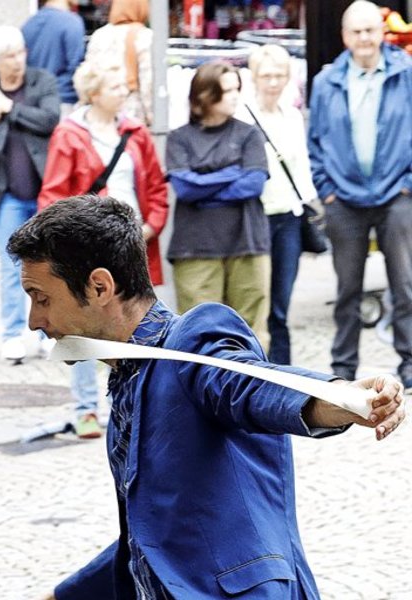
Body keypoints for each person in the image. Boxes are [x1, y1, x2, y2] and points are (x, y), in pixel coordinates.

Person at [5, 196, 405, 600]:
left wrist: (339, 398)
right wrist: (64, 595)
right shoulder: (126, 379)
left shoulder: (193, 341)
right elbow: (152, 537)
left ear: (99, 287)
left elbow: (250, 385)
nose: (35, 321)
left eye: (42, 298)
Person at [39, 59, 169, 438]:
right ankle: (86, 408)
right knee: (81, 323)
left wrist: (151, 226)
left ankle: (131, 403)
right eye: (115, 87)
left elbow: (156, 186)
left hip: (134, 244)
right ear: (94, 94)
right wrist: (70, 247)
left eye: (125, 86)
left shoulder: (135, 132)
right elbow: (53, 196)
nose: (124, 92)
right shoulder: (69, 135)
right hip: (87, 249)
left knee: (134, 321)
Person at [308, 0, 412, 385]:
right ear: (345, 36)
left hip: (397, 195)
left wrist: (408, 185)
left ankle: (410, 364)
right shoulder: (326, 82)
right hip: (343, 201)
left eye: (370, 30)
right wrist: (327, 190)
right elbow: (315, 141)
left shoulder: (406, 74)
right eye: (357, 31)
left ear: (382, 32)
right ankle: (343, 368)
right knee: (347, 289)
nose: (364, 38)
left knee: (405, 286)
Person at [0, 25, 60, 364]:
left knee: (50, 264)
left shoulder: (42, 82)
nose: (18, 60)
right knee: (11, 265)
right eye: (9, 56)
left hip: (46, 192)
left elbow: (50, 119)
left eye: (20, 52)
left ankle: (49, 332)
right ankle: (12, 334)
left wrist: (10, 109)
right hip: (6, 195)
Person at [166, 60, 271, 349]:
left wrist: (204, 186)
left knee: (251, 333)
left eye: (237, 89)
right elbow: (185, 189)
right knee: (198, 336)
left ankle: (250, 381)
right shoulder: (179, 138)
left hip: (247, 243)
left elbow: (254, 184)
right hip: (196, 247)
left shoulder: (249, 134)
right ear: (204, 94)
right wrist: (233, 173)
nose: (235, 96)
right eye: (227, 90)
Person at [242, 44, 318, 366]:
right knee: (256, 300)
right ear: (254, 77)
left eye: (279, 75)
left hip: (288, 216)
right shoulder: (243, 116)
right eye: (266, 75)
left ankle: (283, 371)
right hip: (255, 217)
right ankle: (257, 368)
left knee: (281, 304)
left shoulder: (292, 116)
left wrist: (309, 203)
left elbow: (302, 167)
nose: (273, 82)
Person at [85, 0, 153, 125]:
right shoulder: (144, 36)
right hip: (131, 111)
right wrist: (153, 117)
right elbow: (148, 83)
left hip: (101, 109)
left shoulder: (99, 35)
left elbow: (89, 75)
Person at [21, 0, 85, 108]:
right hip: (64, 100)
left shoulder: (29, 23)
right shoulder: (71, 22)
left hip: (33, 101)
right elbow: (77, 67)